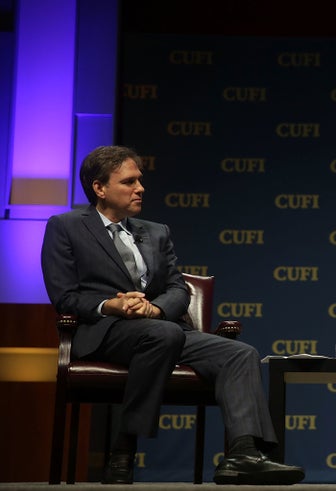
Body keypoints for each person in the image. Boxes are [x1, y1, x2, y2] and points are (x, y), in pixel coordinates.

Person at [41, 145, 305, 485]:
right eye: (129, 181)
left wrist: (156, 308)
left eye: (140, 180)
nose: (141, 188)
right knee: (162, 334)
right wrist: (112, 305)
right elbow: (65, 296)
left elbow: (179, 289)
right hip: (107, 332)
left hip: (163, 329)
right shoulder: (66, 227)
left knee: (240, 354)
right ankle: (124, 447)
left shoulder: (156, 231)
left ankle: (243, 454)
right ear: (99, 188)